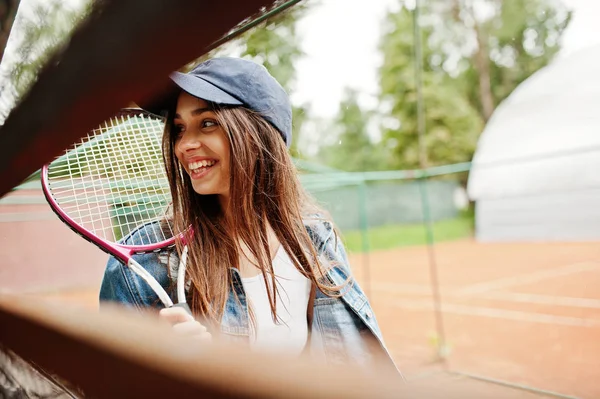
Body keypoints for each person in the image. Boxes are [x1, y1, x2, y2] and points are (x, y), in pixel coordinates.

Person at [99, 57, 400, 374]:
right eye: (179, 129)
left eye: (207, 123)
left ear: (258, 135)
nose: (184, 145)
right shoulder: (141, 266)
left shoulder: (315, 241)